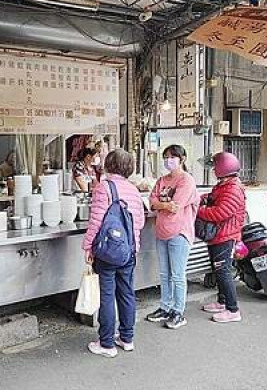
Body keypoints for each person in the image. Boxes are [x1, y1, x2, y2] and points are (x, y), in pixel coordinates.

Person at [82, 149, 145, 358]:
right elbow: (140, 222)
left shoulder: (104, 187)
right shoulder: (134, 190)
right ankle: (127, 339)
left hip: (108, 252)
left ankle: (106, 343)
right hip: (129, 251)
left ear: (108, 165)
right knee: (127, 293)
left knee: (107, 295)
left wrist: (88, 246)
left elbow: (97, 221)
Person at [145, 145, 199, 329]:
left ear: (182, 158)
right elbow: (151, 202)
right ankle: (165, 307)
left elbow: (176, 205)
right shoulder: (162, 180)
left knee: (177, 275)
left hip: (179, 233)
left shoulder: (187, 181)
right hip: (162, 232)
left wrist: (161, 204)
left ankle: (178, 311)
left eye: (172, 157)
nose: (168, 160)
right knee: (164, 274)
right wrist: (163, 205)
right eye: (166, 157)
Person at [197, 152, 247, 323]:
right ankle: (222, 301)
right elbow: (213, 199)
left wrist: (199, 210)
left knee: (223, 272)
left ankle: (233, 310)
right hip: (218, 235)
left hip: (226, 236)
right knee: (218, 271)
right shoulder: (224, 185)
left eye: (215, 167)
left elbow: (220, 212)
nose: (213, 170)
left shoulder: (232, 188)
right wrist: (202, 199)